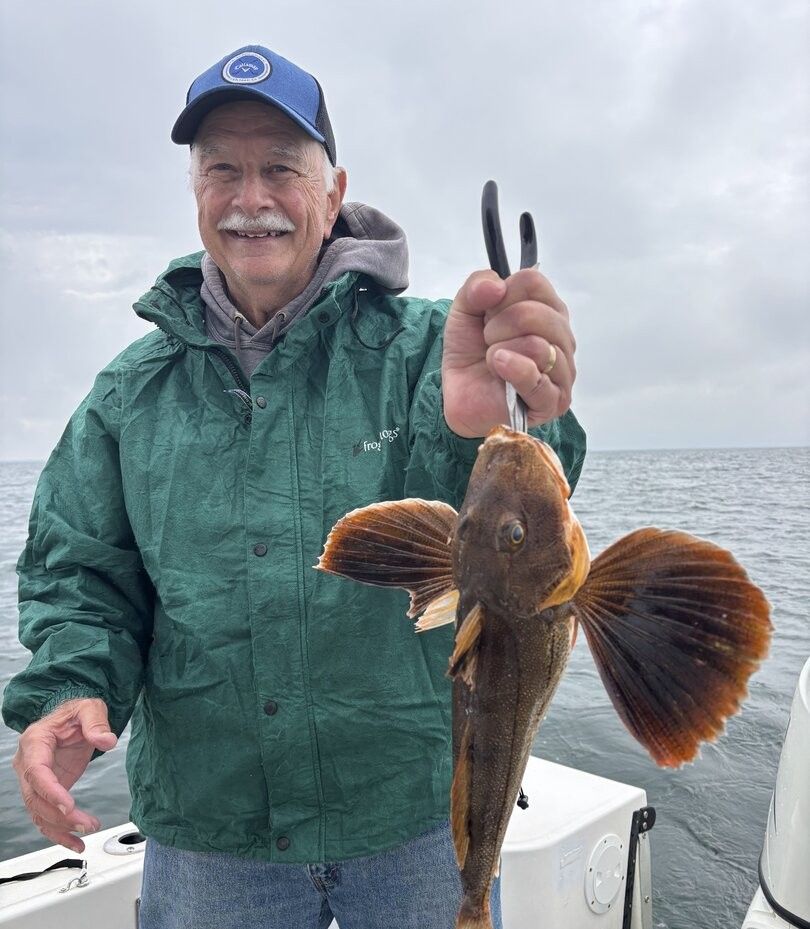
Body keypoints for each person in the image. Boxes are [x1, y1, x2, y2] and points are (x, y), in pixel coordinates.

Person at [2, 45, 585, 928]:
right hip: (211, 832)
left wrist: (496, 420)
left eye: (281, 167)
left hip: (413, 819)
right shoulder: (129, 395)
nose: (250, 198)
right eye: (222, 170)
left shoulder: (433, 349)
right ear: (194, 190)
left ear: (334, 189)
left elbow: (528, 545)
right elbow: (80, 574)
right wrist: (72, 685)